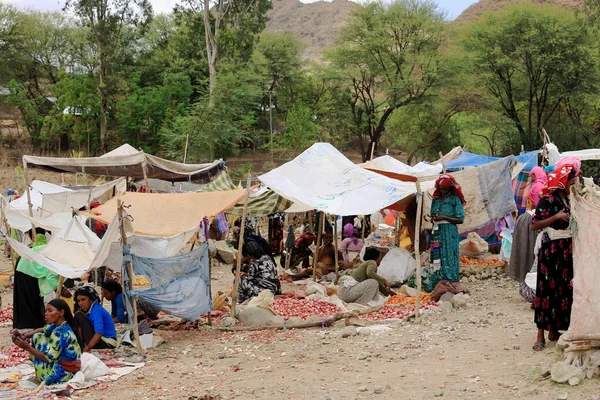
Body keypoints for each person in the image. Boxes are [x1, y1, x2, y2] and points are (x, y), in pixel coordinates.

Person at [530, 161, 579, 351]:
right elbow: (535, 225)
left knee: (564, 290)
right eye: (571, 183)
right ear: (562, 183)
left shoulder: (570, 199)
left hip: (567, 251)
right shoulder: (548, 200)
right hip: (551, 251)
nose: (573, 186)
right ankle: (540, 333)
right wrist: (556, 218)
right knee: (546, 290)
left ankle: (555, 330)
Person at [11, 299, 81, 385]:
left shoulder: (60, 333)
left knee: (40, 343)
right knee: (38, 336)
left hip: (66, 371)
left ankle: (41, 377)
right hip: (59, 362)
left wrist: (27, 347)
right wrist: (25, 335)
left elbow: (47, 358)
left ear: (61, 313)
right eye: (46, 310)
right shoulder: (56, 326)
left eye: (50, 311)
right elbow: (42, 329)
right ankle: (40, 374)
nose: (46, 313)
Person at [428, 174, 466, 290]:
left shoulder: (455, 199)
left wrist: (444, 218)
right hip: (437, 231)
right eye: (441, 189)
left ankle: (451, 281)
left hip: (449, 231)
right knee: (437, 254)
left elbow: (460, 219)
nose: (443, 191)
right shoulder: (436, 200)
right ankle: (438, 280)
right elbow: (433, 214)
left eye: (445, 189)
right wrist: (433, 218)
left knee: (449, 254)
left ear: (450, 188)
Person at [73, 286, 117, 351]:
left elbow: (99, 332)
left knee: (79, 315)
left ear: (91, 299)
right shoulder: (92, 309)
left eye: (83, 300)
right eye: (78, 301)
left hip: (107, 342)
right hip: (103, 340)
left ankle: (82, 347)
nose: (80, 303)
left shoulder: (96, 310)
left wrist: (87, 348)